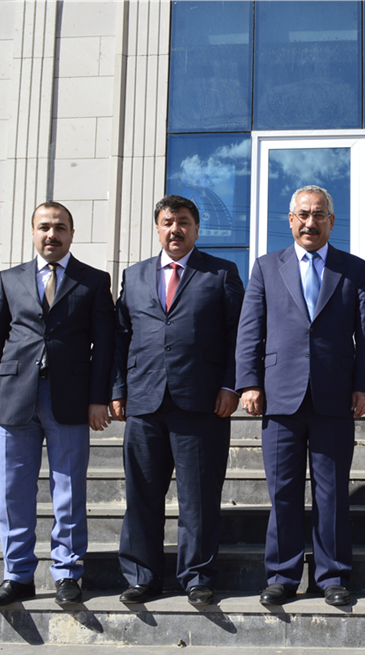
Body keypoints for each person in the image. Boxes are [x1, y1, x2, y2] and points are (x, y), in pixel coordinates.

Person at [236, 185, 365, 607]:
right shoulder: (266, 267)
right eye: (302, 214)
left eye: (318, 215)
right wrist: (249, 382)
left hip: (335, 396)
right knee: (283, 491)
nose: (310, 222)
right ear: (290, 220)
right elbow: (250, 329)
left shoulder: (354, 269)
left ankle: (332, 576)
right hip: (279, 396)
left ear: (332, 221)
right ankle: (282, 576)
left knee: (332, 493)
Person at [0, 201, 115, 607]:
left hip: (70, 399)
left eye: (60, 227)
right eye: (44, 227)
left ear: (72, 233)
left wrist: (99, 399)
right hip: (14, 397)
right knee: (13, 490)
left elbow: (105, 346)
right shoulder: (9, 279)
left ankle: (67, 572)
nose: (52, 235)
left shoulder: (94, 281)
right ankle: (17, 574)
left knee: (68, 488)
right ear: (33, 232)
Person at [110, 195, 244, 606]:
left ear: (197, 229)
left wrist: (231, 386)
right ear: (157, 228)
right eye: (167, 222)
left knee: (198, 498)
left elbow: (239, 335)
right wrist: (117, 389)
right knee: (142, 496)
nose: (175, 229)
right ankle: (142, 577)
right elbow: (120, 338)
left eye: (183, 222)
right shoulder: (134, 276)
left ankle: (197, 577)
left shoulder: (221, 273)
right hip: (144, 401)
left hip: (202, 403)